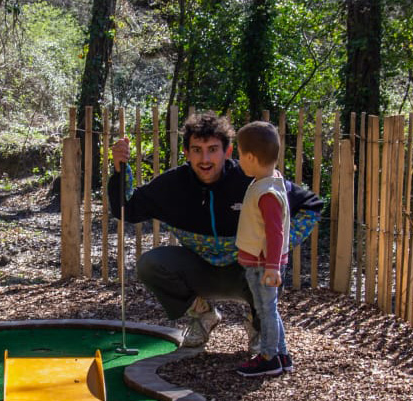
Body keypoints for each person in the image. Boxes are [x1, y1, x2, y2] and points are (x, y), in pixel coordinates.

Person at [107, 110, 323, 362]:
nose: (205, 158)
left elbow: (311, 205)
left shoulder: (252, 180)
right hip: (201, 271)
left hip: (249, 271)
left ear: (228, 151)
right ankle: (203, 314)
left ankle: (258, 324)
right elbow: (127, 209)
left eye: (213, 149)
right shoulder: (172, 186)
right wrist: (120, 169)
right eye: (197, 150)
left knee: (271, 269)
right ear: (186, 153)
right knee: (150, 264)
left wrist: (275, 248)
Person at [233, 121, 291, 378]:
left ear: (251, 157)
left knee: (265, 310)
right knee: (269, 308)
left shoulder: (267, 192)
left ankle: (268, 357)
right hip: (259, 263)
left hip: (262, 265)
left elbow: (275, 232)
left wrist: (272, 267)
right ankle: (281, 353)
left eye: (240, 154)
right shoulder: (268, 180)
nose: (238, 160)